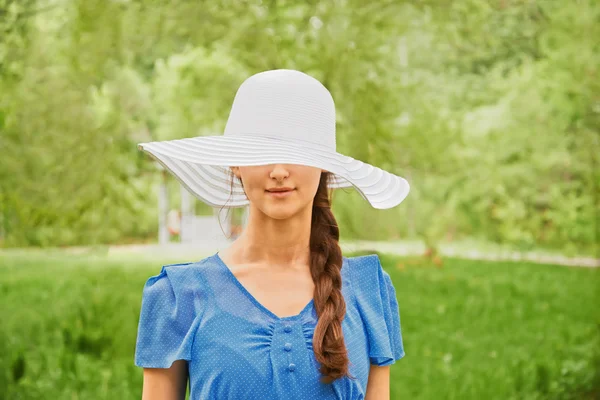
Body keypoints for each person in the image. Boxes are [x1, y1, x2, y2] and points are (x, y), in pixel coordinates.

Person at [134, 69, 410, 400]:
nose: (279, 172)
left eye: (297, 153)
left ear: (323, 165)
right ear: (234, 163)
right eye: (259, 152)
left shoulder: (369, 290)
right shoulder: (178, 296)